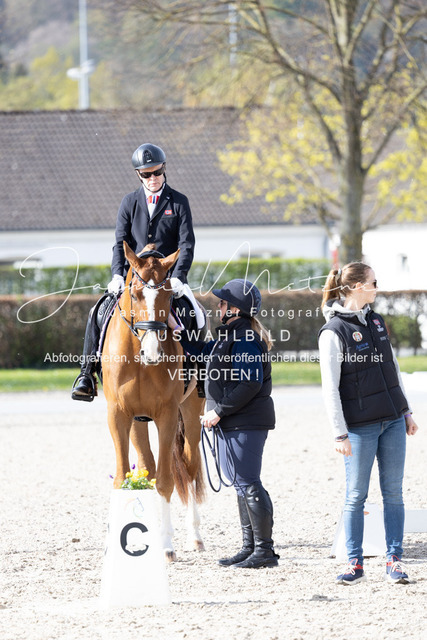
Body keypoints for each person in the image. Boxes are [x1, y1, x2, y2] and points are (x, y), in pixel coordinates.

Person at [318, 262, 419, 585]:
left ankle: (394, 560)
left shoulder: (376, 320)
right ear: (358, 286)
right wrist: (339, 433)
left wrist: (406, 411)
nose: (378, 286)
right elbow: (329, 387)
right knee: (355, 495)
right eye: (374, 282)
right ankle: (354, 564)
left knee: (394, 494)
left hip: (393, 422)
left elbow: (393, 367)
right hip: (360, 428)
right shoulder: (333, 332)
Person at [71, 142, 196, 401]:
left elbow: (186, 244)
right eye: (146, 174)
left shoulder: (179, 201)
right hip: (136, 279)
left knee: (195, 313)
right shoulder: (129, 202)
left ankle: (201, 374)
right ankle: (87, 373)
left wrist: (179, 277)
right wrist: (117, 274)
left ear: (164, 169)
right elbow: (121, 242)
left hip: (166, 279)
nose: (153, 178)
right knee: (97, 311)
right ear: (138, 174)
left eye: (157, 172)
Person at [175, 278, 279, 569]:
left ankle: (264, 551)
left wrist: (217, 411)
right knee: (241, 484)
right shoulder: (229, 336)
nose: (218, 307)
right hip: (233, 421)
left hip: (245, 421)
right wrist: (176, 332)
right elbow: (200, 352)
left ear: (234, 309)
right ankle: (249, 548)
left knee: (249, 483)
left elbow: (250, 383)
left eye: (222, 303)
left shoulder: (245, 339)